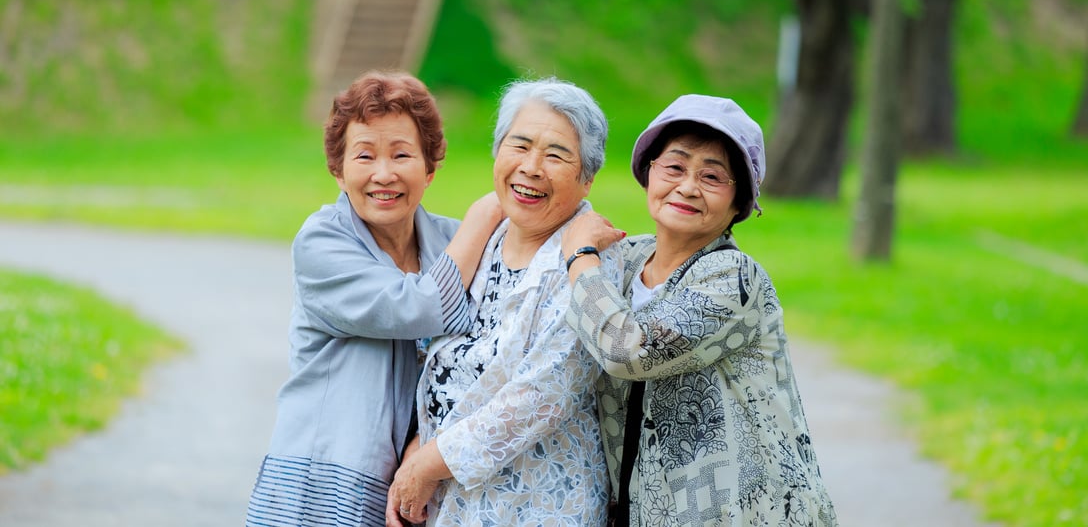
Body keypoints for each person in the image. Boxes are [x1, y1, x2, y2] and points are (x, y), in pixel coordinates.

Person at [560, 94, 839, 527]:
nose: (688, 187)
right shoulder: (624, 260)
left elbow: (627, 351)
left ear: (738, 203)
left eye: (712, 177)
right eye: (674, 167)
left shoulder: (734, 277)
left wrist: (579, 256)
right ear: (648, 173)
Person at [245, 70, 502, 527]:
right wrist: (484, 216)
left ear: (430, 168)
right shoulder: (321, 242)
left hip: (418, 484)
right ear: (339, 172)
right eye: (364, 156)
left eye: (402, 154)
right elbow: (421, 307)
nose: (384, 174)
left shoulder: (449, 241)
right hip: (321, 486)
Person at [385, 78, 616, 527]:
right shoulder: (482, 239)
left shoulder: (591, 260)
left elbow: (541, 396)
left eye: (556, 155)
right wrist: (419, 444)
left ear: (587, 179)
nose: (531, 167)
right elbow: (435, 351)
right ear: (497, 153)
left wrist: (424, 466)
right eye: (520, 145)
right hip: (456, 505)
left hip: (536, 508)